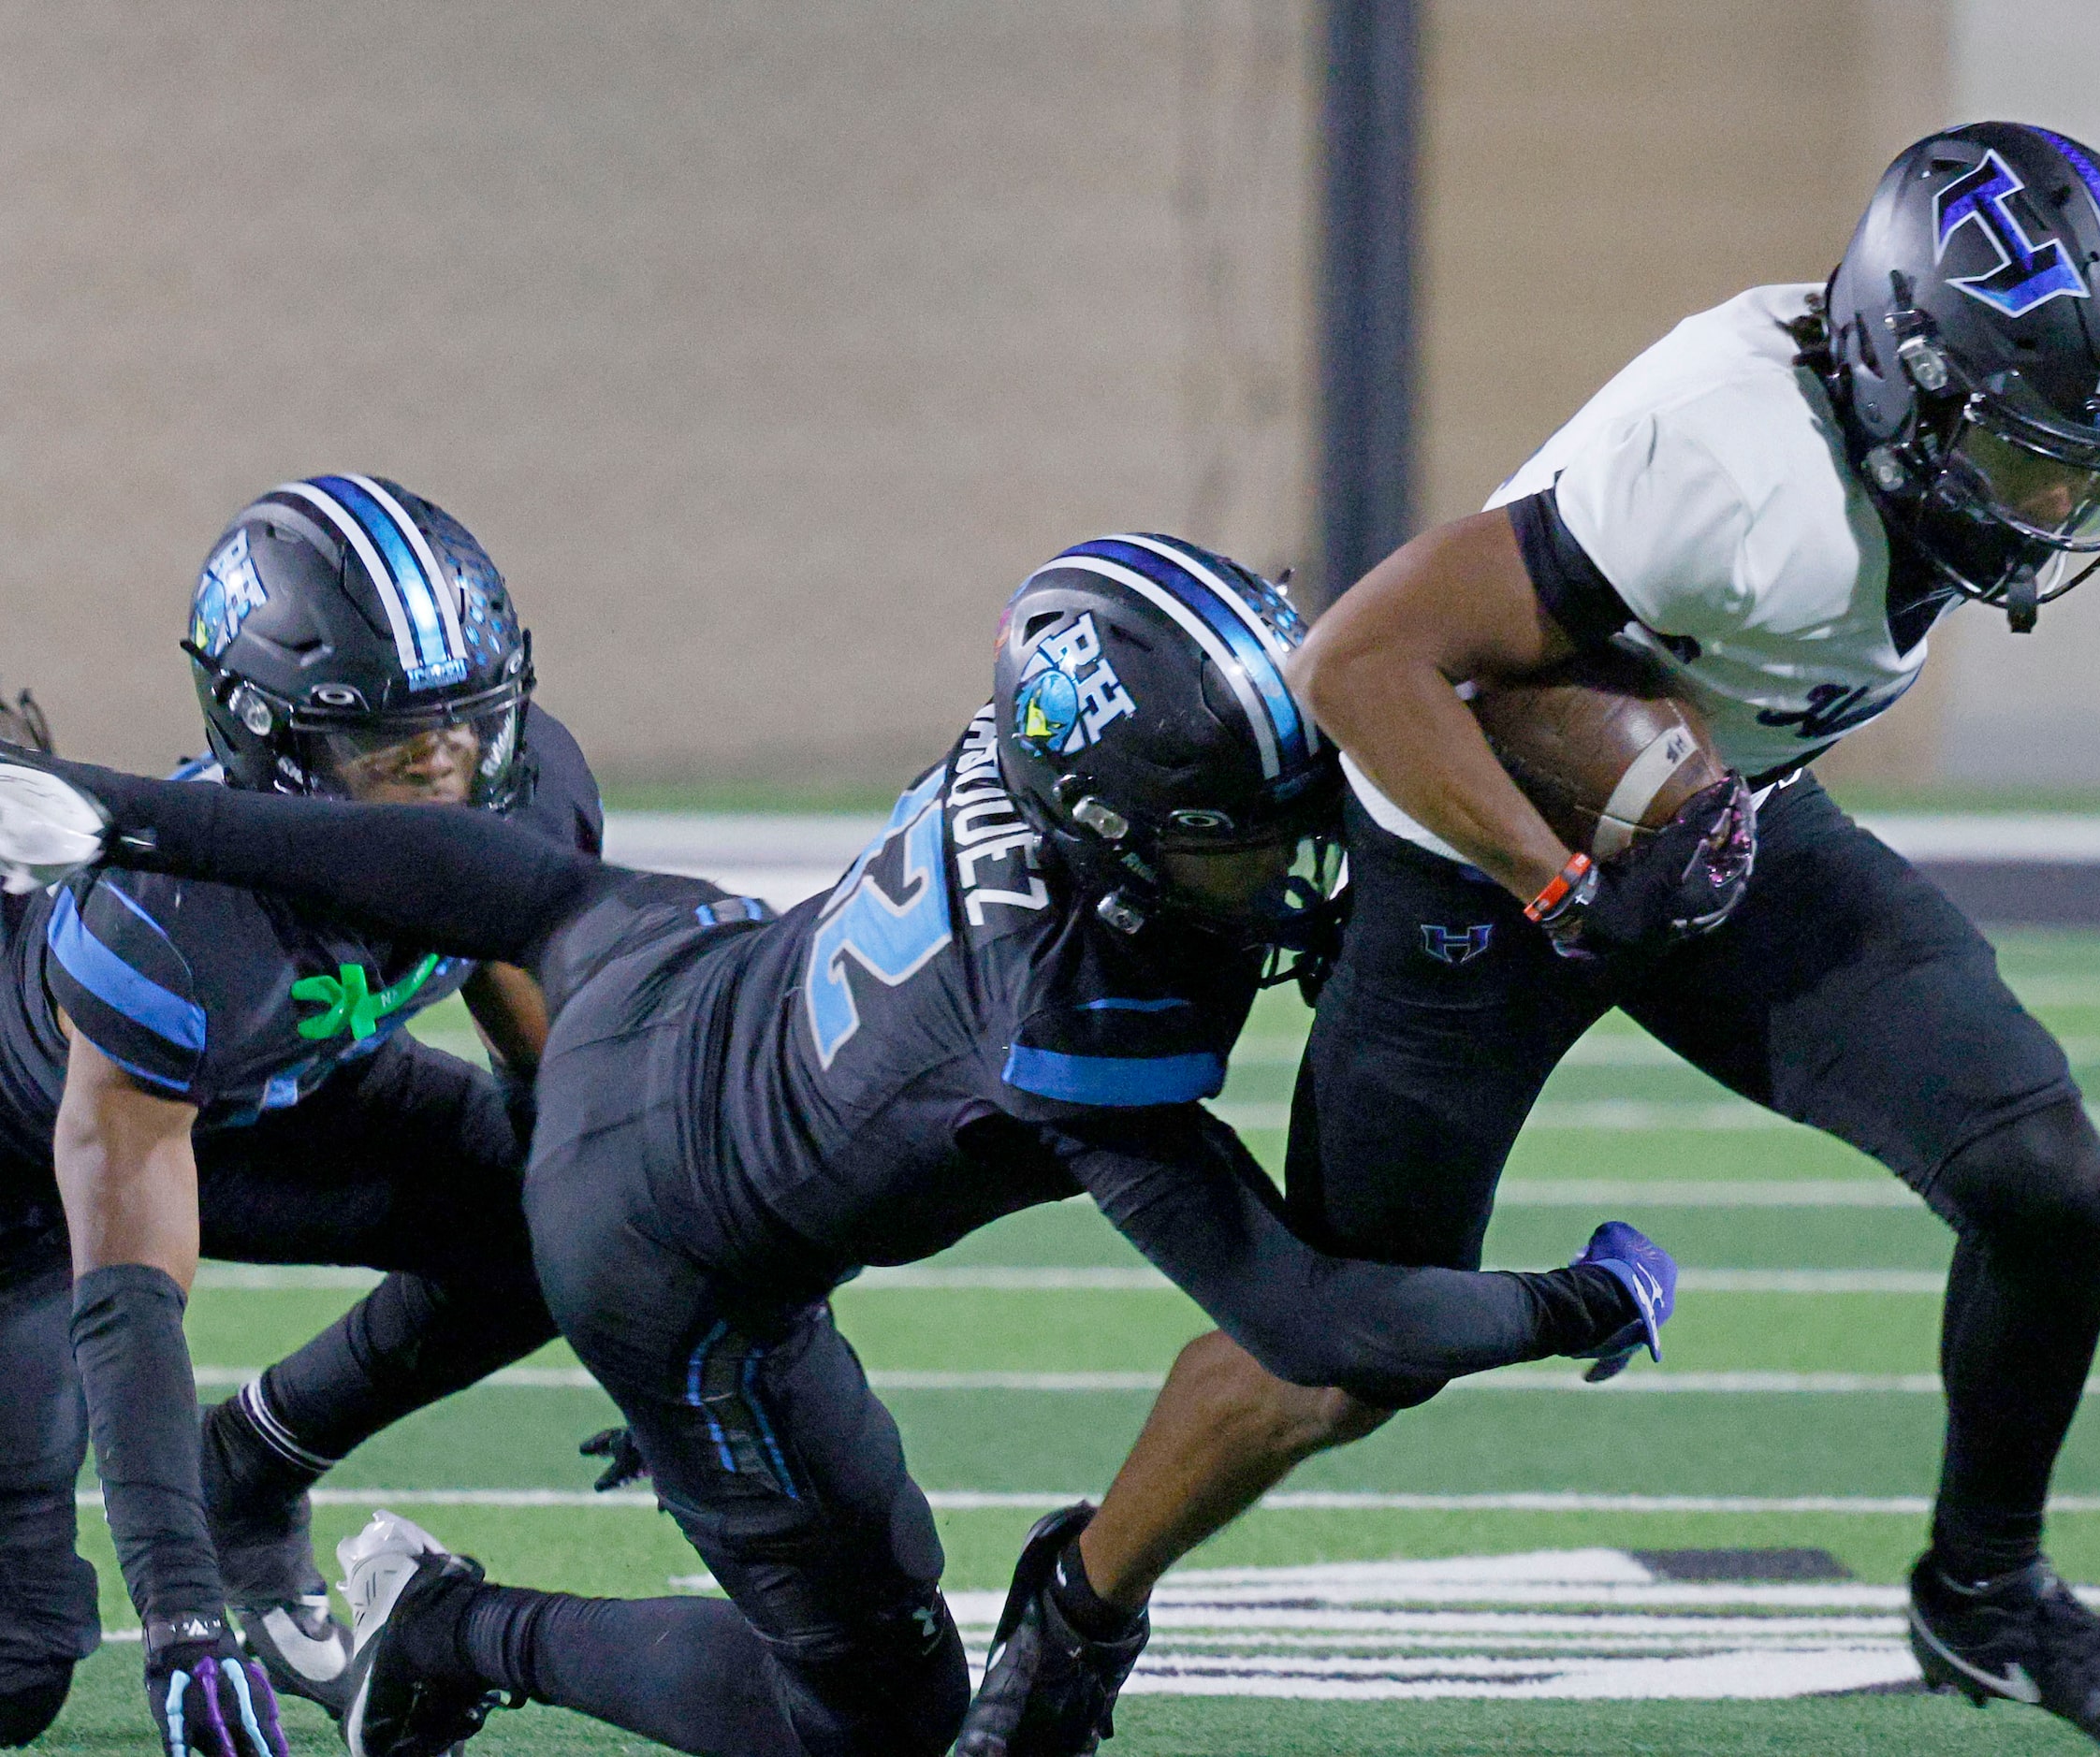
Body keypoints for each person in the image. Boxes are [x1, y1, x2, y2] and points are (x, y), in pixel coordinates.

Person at [969, 123, 2100, 1757]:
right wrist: (1553, 887)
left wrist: (1661, 837)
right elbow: (1361, 656)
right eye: (2023, 460)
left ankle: (1984, 1589)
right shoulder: (1728, 463)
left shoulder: (1875, 449)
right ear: (1902, 376)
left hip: (1720, 819)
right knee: (1342, 1355)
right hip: (1467, 864)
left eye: (2082, 468)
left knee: (2041, 1176)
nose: (2054, 504)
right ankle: (1073, 1614)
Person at [0, 531, 1679, 1757]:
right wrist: (1578, 1300)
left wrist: (129, 798)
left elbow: (509, 894)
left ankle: (280, 1463)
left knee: (526, 1122)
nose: (1293, 859)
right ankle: (448, 1634)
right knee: (876, 1723)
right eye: (1241, 835)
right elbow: (1312, 1324)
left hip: (648, 976)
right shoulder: (1071, 1016)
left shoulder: (1017, 769)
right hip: (643, 1230)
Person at [0, 475, 598, 1754]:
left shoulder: (526, 786)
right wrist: (181, 1619)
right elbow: (127, 1299)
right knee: (20, 1658)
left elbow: (555, 1068)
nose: (445, 772)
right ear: (271, 746)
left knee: (574, 1225)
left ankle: (257, 1465)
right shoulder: (172, 930)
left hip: (269, 1098)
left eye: (468, 728)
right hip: (31, 1167)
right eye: (390, 745)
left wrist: (661, 1319)